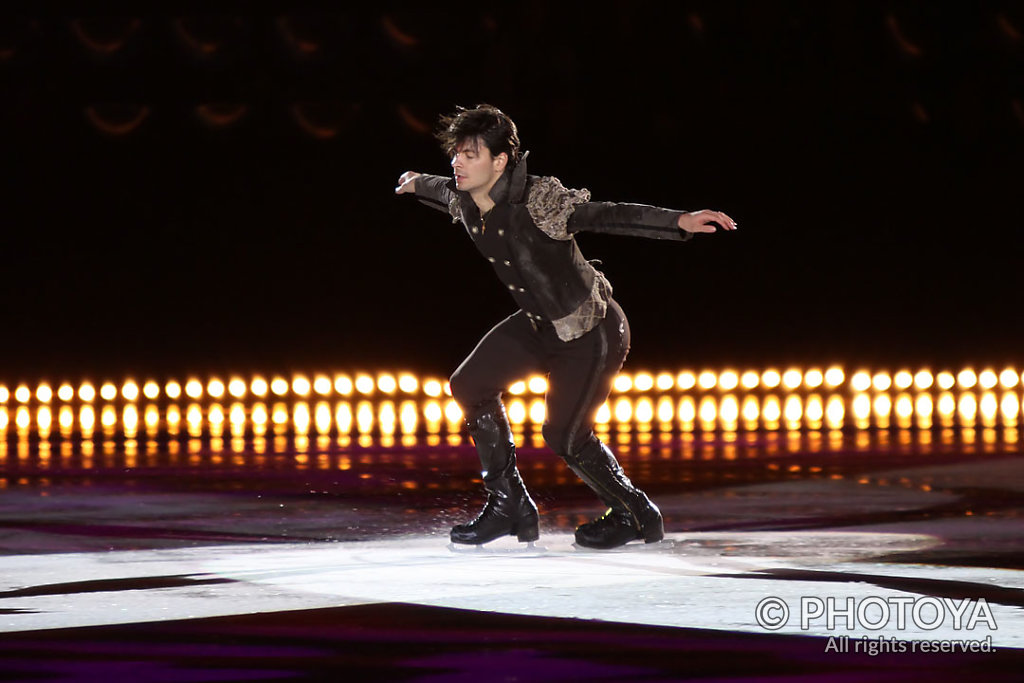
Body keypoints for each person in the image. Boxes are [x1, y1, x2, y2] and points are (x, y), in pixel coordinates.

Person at [395, 104, 736, 549]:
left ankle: (636, 514)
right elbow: (439, 187)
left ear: (500, 162)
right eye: (456, 153)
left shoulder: (539, 200)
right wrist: (415, 181)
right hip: (539, 325)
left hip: (590, 330)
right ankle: (509, 507)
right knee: (469, 385)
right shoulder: (464, 196)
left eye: (470, 154)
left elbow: (606, 214)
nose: (457, 163)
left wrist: (678, 221)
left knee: (564, 435)